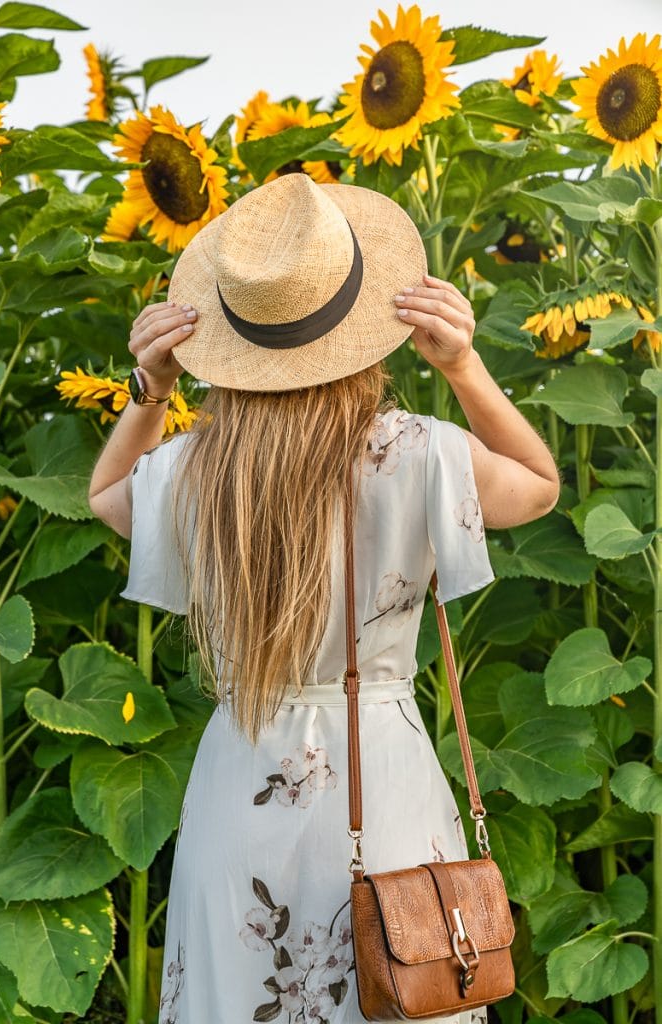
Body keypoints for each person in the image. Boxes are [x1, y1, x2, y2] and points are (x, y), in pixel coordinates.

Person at [88, 173, 560, 1024]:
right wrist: (461, 363)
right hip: (379, 776)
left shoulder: (199, 471)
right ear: (360, 327)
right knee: (402, 981)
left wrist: (151, 390)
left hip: (239, 773)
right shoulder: (416, 452)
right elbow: (536, 485)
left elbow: (107, 494)